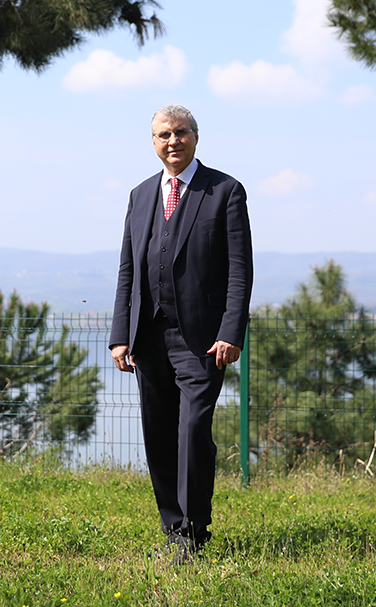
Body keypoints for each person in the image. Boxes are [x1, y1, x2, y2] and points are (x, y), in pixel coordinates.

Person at [109, 104, 253, 562]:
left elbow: (239, 270)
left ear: (196, 136)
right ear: (153, 142)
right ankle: (173, 527)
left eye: (181, 133)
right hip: (147, 338)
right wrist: (119, 334)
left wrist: (231, 331)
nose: (173, 141)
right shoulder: (140, 194)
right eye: (163, 135)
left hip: (203, 340)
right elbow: (127, 270)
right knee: (158, 434)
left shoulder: (225, 191)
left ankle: (195, 529)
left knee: (193, 429)